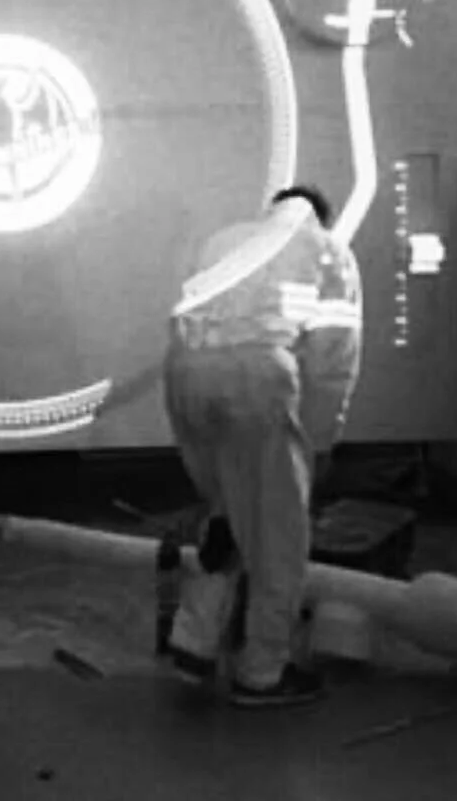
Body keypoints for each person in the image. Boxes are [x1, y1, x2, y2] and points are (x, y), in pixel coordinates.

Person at [163, 185, 363, 708]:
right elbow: (332, 362)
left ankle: (193, 642)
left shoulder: (226, 239)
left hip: (184, 374)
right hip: (255, 378)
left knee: (224, 512)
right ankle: (263, 673)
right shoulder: (329, 251)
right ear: (322, 217)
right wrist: (320, 444)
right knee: (278, 536)